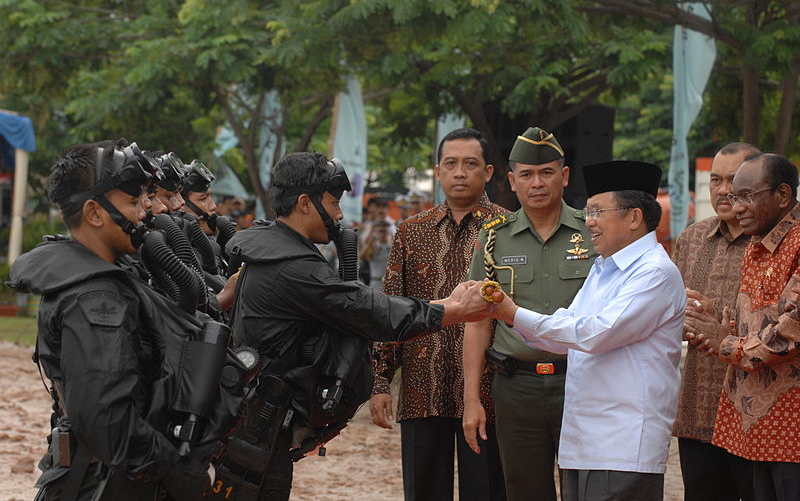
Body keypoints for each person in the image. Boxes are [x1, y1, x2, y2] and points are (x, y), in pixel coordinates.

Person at [221, 152, 497, 500]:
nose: (338, 214)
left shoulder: (272, 247)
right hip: (261, 428)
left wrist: (449, 305)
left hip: (260, 419)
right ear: (306, 204)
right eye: (333, 202)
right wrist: (457, 312)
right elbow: (372, 313)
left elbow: (358, 304)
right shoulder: (295, 268)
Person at [9, 141, 228, 500]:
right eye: (132, 201)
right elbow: (108, 420)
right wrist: (176, 469)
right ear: (94, 213)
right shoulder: (94, 299)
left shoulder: (108, 277)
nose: (146, 209)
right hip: (102, 483)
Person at [485, 160, 685, 501]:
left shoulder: (654, 273)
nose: (588, 222)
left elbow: (594, 333)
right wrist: (506, 314)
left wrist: (513, 312)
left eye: (596, 211)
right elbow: (565, 329)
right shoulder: (604, 267)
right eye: (587, 211)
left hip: (622, 444)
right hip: (585, 440)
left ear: (634, 217)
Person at [370, 128, 507, 501]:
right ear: (437, 171)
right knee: (423, 490)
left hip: (489, 392)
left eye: (470, 164)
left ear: (489, 171)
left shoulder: (509, 231)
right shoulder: (411, 232)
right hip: (421, 387)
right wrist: (381, 381)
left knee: (489, 489)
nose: (460, 172)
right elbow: (391, 308)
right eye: (451, 164)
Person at [462, 126, 596, 501]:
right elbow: (477, 324)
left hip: (584, 383)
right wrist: (471, 399)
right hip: (516, 389)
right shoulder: (493, 239)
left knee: (587, 488)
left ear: (564, 176)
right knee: (524, 490)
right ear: (512, 181)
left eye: (547, 172)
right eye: (527, 175)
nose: (537, 183)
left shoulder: (594, 234)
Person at [685, 153, 800, 501]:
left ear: (782, 195)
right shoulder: (756, 245)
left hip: (792, 430)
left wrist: (726, 343)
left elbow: (789, 333)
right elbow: (746, 325)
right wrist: (711, 323)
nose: (737, 207)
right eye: (734, 198)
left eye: (747, 196)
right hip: (752, 430)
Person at [671, 143, 760, 501]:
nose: (723, 191)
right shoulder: (691, 238)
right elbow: (668, 316)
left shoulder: (775, 243)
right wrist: (689, 325)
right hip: (698, 412)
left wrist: (724, 333)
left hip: (757, 416)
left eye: (734, 181)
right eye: (716, 180)